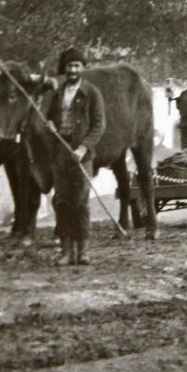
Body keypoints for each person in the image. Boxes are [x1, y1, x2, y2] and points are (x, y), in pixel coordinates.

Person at [46, 47, 105, 266]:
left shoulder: (92, 93)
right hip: (61, 153)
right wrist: (50, 125)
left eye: (76, 66)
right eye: (69, 66)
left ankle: (83, 251)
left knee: (81, 202)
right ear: (65, 69)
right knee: (62, 202)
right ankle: (65, 251)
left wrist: (83, 148)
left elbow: (99, 125)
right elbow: (49, 118)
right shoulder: (58, 92)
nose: (72, 70)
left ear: (82, 68)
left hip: (81, 155)